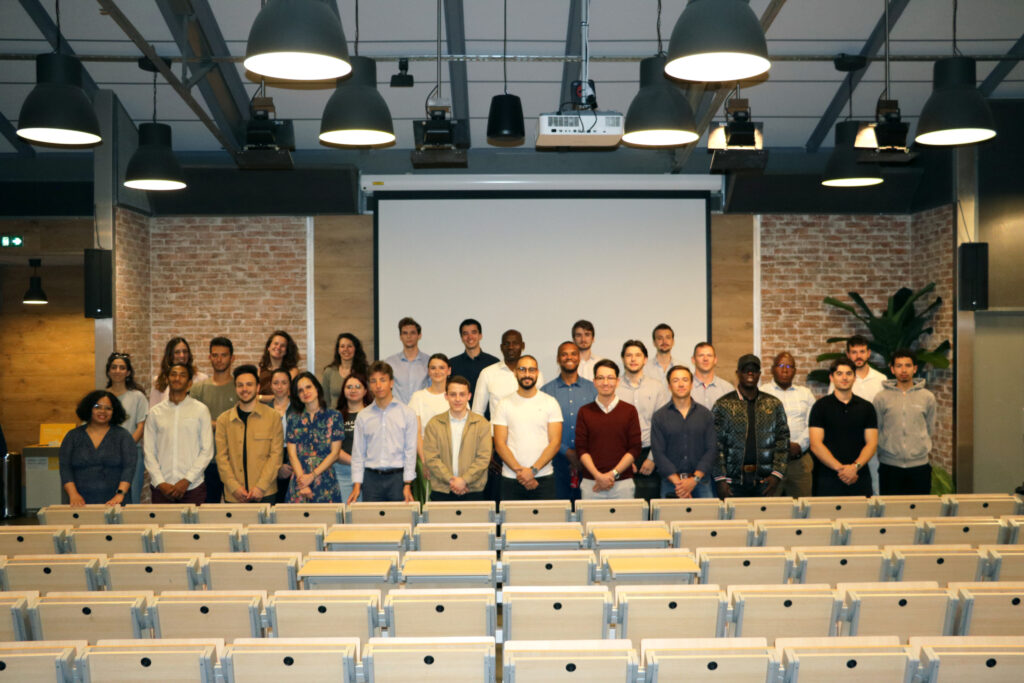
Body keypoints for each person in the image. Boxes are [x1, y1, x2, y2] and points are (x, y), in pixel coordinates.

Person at [473, 329, 545, 502]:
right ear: (501, 347)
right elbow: (477, 413)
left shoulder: (535, 374)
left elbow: (540, 410)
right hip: (496, 447)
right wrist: (487, 447)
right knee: (501, 499)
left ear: (523, 346)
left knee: (531, 501)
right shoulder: (488, 373)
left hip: (529, 446)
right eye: (507, 343)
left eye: (515, 343)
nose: (511, 347)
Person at [712, 354, 790, 498]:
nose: (750, 373)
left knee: (764, 521)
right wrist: (720, 480)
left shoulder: (773, 404)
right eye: (745, 370)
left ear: (759, 374)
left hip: (765, 481)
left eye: (754, 370)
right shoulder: (723, 405)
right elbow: (715, 445)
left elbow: (783, 441)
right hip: (732, 482)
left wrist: (776, 475)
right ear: (737, 374)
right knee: (734, 521)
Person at [492, 355, 563, 500]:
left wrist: (533, 471)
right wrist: (522, 472)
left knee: (544, 523)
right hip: (511, 479)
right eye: (522, 369)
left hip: (543, 478)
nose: (527, 374)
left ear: (537, 373)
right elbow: (499, 444)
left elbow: (555, 443)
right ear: (515, 373)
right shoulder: (504, 404)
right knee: (510, 523)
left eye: (531, 370)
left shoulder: (550, 402)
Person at [143, 362, 214, 504]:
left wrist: (187, 480)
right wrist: (160, 482)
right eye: (173, 374)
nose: (177, 378)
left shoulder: (201, 410)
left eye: (182, 375)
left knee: (192, 527)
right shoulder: (155, 413)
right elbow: (149, 451)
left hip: (193, 487)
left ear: (189, 384)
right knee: (161, 527)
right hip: (161, 488)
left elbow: (207, 450)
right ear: (168, 379)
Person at [349, 361, 418, 503]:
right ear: (369, 385)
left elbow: (410, 452)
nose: (378, 385)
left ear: (391, 382)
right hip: (371, 479)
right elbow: (358, 454)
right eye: (373, 381)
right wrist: (357, 485)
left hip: (398, 479)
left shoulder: (407, 413)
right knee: (373, 524)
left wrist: (407, 483)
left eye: (383, 380)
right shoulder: (363, 416)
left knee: (399, 522)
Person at [810, 358, 879, 496]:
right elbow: (815, 444)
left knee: (860, 517)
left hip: (859, 476)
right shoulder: (820, 407)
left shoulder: (867, 407)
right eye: (839, 373)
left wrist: (854, 467)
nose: (844, 377)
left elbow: (872, 443)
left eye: (849, 373)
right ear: (832, 377)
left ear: (854, 378)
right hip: (828, 477)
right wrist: (841, 469)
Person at [215, 364, 284, 503]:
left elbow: (276, 456)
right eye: (240, 385)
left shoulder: (273, 417)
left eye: (249, 384)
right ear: (235, 388)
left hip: (266, 493)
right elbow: (221, 458)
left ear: (258, 387)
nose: (244, 389)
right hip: (234, 495)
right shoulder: (223, 420)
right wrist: (234, 487)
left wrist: (260, 487)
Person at [873, 350, 937, 495]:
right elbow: (877, 427)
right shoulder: (881, 398)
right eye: (899, 366)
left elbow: (929, 428)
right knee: (891, 513)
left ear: (914, 368)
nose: (903, 370)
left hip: (919, 466)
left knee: (919, 513)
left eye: (908, 365)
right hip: (889, 466)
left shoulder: (927, 397)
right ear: (892, 369)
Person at [575, 359, 641, 499]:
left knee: (625, 521)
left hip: (622, 483)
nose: (605, 382)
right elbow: (581, 449)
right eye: (600, 378)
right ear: (594, 381)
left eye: (610, 378)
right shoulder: (584, 411)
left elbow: (634, 448)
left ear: (617, 381)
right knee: (590, 521)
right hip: (592, 483)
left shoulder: (629, 411)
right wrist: (598, 476)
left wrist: (612, 475)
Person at [830, 334, 887, 494]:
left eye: (862, 351)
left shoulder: (880, 379)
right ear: (848, 355)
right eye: (854, 352)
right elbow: (833, 407)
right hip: (847, 442)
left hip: (872, 441)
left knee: (875, 484)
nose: (858, 356)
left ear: (868, 353)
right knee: (845, 481)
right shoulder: (840, 379)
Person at [541, 341, 597, 501]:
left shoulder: (592, 389)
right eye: (564, 354)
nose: (569, 357)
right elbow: (542, 428)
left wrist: (582, 453)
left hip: (589, 459)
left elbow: (599, 424)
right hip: (555, 461)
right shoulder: (546, 392)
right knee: (560, 510)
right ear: (558, 359)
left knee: (587, 511)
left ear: (579, 358)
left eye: (573, 353)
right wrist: (567, 452)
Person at [59, 390, 136, 506]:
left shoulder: (123, 436)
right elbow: (65, 468)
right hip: (78, 502)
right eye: (97, 407)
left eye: (108, 408)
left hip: (116, 501)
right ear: (89, 408)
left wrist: (120, 494)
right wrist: (73, 494)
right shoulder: (73, 436)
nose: (103, 411)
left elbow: (129, 468)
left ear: (114, 412)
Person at [422, 375, 493, 501]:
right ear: (446, 396)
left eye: (462, 394)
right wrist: (452, 480)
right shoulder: (434, 424)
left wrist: (464, 481)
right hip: (442, 490)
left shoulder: (482, 424)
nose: (457, 399)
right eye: (453, 394)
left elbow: (484, 458)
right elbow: (431, 458)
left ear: (469, 396)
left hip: (473, 490)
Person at [615, 340, 669, 502]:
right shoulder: (614, 387)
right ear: (623, 359)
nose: (633, 359)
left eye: (638, 355)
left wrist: (653, 459)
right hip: (620, 456)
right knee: (624, 510)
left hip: (649, 454)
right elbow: (611, 429)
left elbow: (662, 427)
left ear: (645, 359)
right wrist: (622, 461)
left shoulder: (657, 387)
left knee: (649, 510)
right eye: (629, 355)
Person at [651, 365, 716, 499]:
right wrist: (680, 485)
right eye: (675, 381)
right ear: (669, 386)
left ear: (692, 384)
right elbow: (658, 453)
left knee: (707, 520)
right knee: (669, 519)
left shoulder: (706, 414)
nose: (681, 384)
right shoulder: (659, 417)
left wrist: (694, 480)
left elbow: (712, 449)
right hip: (671, 484)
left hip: (701, 482)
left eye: (685, 380)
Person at [760, 351, 816, 498]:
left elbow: (812, 423)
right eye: (781, 365)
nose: (785, 370)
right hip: (770, 462)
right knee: (768, 507)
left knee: (803, 509)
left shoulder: (805, 393)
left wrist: (799, 445)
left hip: (800, 462)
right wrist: (782, 445)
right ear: (773, 369)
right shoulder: (761, 392)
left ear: (795, 371)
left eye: (789, 366)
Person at [190, 336, 238, 504]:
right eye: (215, 355)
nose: (219, 359)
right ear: (209, 357)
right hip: (206, 461)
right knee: (208, 512)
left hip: (235, 460)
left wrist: (212, 423)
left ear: (232, 358)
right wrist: (223, 424)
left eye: (224, 355)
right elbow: (192, 422)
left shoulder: (240, 388)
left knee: (236, 512)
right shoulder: (198, 389)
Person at [284, 372, 342, 503]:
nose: (305, 392)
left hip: (325, 479)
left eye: (308, 387)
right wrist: (303, 482)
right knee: (298, 522)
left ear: (317, 388)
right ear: (297, 396)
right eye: (300, 390)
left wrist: (312, 476)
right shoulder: (293, 419)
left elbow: (335, 453)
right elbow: (292, 455)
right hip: (299, 481)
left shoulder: (334, 416)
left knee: (328, 521)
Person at [104, 352, 147, 504]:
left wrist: (126, 447)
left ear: (128, 372)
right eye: (114, 367)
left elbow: (141, 426)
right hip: (105, 453)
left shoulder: (137, 397)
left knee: (131, 497)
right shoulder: (101, 396)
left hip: (131, 452)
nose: (117, 371)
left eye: (122, 368)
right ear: (108, 371)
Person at [335, 371, 372, 503]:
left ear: (365, 391)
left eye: (358, 387)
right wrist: (355, 462)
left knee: (365, 516)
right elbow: (333, 448)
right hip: (342, 472)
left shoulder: (374, 414)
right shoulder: (336, 416)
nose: (353, 390)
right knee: (346, 514)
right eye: (349, 387)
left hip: (369, 472)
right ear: (343, 391)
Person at [408, 353, 452, 461]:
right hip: (425, 456)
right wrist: (424, 460)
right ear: (428, 371)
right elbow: (416, 432)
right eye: (433, 368)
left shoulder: (456, 396)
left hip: (452, 456)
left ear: (449, 371)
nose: (437, 372)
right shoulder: (418, 397)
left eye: (441, 368)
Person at [266, 367, 296, 503]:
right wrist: (277, 466)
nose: (279, 386)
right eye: (276, 382)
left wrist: (290, 465)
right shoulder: (264, 409)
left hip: (294, 457)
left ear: (289, 385)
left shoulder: (298, 408)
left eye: (284, 383)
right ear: (270, 385)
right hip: (270, 457)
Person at [150, 337, 208, 408]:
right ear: (170, 356)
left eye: (185, 351)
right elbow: (153, 409)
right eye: (177, 352)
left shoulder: (201, 379)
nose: (182, 355)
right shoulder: (159, 381)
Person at [448, 318, 499, 396]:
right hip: (460, 407)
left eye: (474, 332)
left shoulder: (493, 363)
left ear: (480, 335)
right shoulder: (452, 364)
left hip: (487, 408)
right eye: (465, 333)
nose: (470, 337)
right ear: (461, 338)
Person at [385, 317, 430, 404]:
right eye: (405, 333)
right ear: (400, 337)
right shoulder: (389, 363)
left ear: (419, 336)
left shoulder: (428, 362)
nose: (409, 336)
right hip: (396, 412)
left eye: (412, 333)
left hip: (421, 411)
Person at [321, 332, 369, 411]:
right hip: (335, 418)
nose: (346, 349)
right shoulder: (329, 372)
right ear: (338, 350)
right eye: (342, 346)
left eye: (349, 346)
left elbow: (369, 398)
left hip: (358, 417)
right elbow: (325, 401)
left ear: (355, 349)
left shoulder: (365, 371)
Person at [691, 342, 734, 410]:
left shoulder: (727, 389)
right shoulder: (684, 388)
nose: (705, 359)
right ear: (693, 360)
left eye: (709, 355)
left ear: (715, 360)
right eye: (701, 355)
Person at [258, 330, 300, 398]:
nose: (278, 347)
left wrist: (260, 398)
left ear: (286, 351)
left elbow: (285, 396)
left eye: (282, 345)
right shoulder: (260, 370)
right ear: (268, 347)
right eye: (276, 343)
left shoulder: (292, 371)